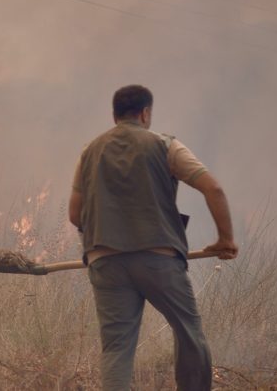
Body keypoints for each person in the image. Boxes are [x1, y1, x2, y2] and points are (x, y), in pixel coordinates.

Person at [68, 85, 238, 391]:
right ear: (145, 113)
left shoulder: (88, 152)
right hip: (158, 258)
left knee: (117, 348)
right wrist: (225, 240)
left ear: (114, 115)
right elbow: (214, 189)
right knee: (188, 333)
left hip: (104, 260)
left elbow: (74, 215)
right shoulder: (165, 145)